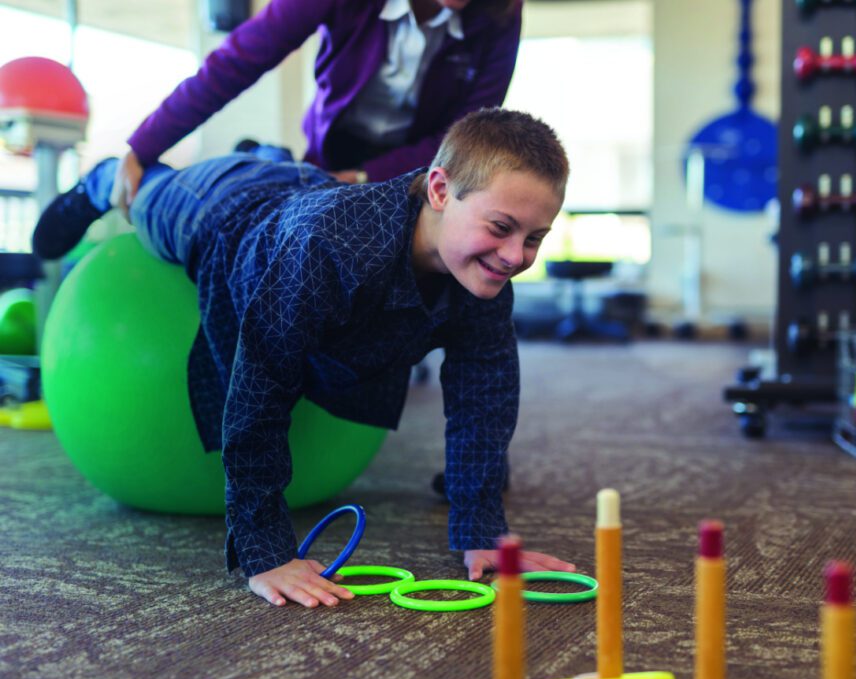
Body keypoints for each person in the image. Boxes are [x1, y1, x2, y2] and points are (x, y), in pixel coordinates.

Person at [33, 108, 574, 607]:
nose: (515, 256)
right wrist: (264, 552)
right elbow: (259, 387)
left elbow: (485, 396)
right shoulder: (326, 246)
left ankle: (265, 155)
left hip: (307, 193)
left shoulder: (486, 274)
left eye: (535, 238)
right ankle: (105, 178)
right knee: (148, 199)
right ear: (439, 189)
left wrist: (482, 533)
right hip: (222, 211)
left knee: (284, 182)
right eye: (502, 228)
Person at [31, 0, 523, 260]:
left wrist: (366, 178)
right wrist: (142, 147)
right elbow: (237, 61)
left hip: (420, 163)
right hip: (331, 149)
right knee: (275, 223)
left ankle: (266, 158)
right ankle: (102, 181)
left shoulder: (501, 12)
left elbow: (465, 138)